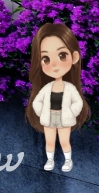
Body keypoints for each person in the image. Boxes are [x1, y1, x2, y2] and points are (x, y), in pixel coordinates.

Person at [27, 22, 89, 172]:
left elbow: (77, 102)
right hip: (50, 117)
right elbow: (37, 102)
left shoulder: (70, 88)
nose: (54, 64)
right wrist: (42, 112)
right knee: (49, 141)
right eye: (45, 59)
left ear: (74, 57)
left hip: (64, 118)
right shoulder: (47, 88)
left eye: (62, 55)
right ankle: (50, 160)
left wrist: (70, 113)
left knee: (64, 141)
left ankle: (67, 161)